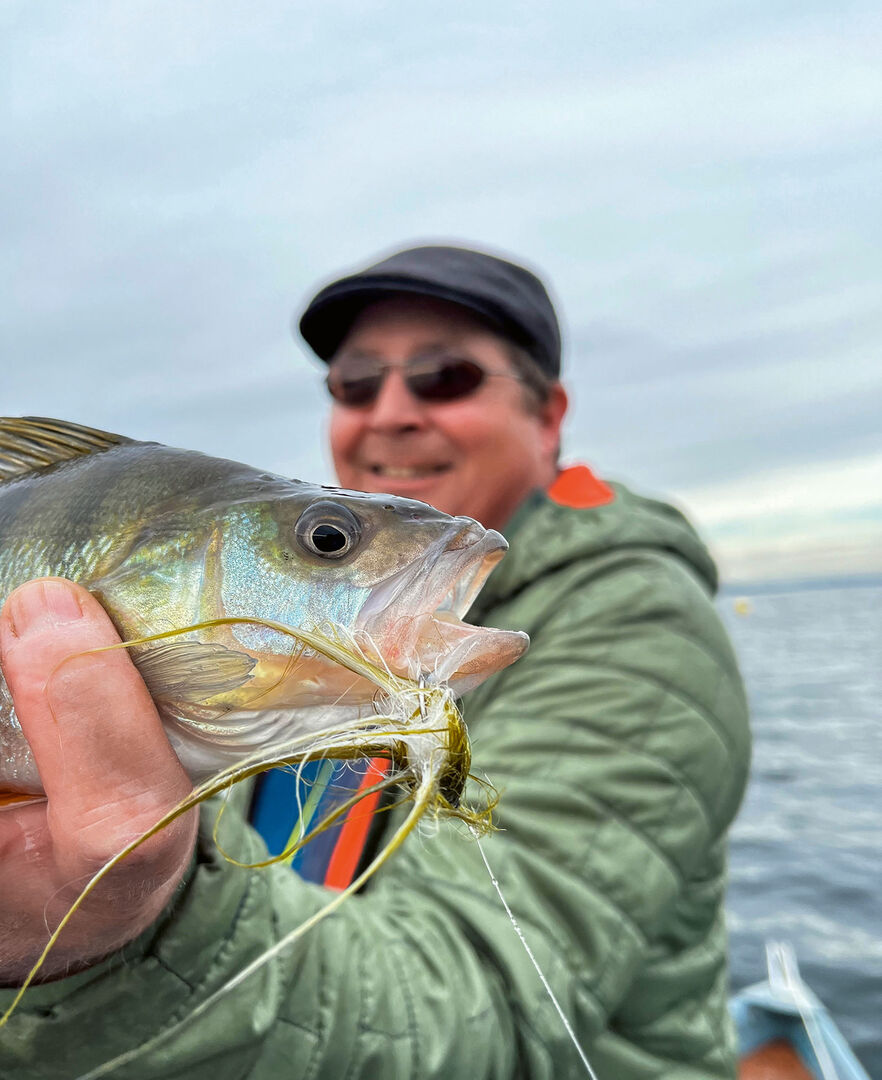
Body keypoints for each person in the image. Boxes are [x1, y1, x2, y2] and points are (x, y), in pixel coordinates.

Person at [0, 244, 751, 1079]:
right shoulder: (290, 678)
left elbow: (475, 1012)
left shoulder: (634, 622)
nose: (390, 411)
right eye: (356, 383)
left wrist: (129, 931)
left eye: (445, 376)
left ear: (549, 415)